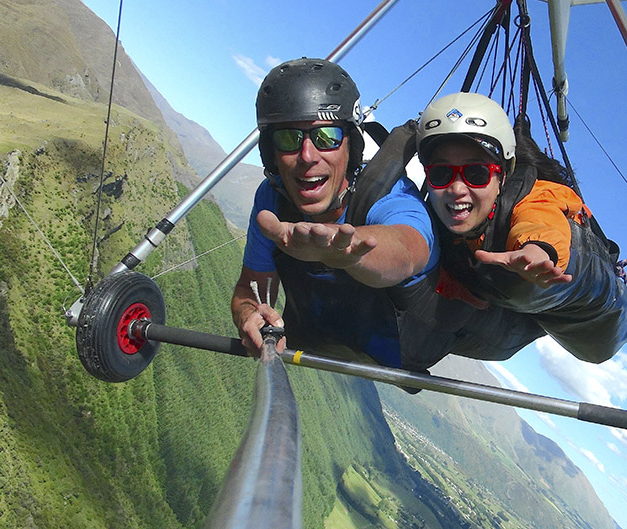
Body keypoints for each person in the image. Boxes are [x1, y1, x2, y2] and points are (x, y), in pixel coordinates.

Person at [231, 58, 542, 372]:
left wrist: (353, 255)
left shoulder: (390, 196)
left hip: (456, 331)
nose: (308, 156)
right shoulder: (272, 200)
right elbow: (251, 287)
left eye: (327, 137)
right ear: (270, 153)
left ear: (350, 146)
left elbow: (407, 249)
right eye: (289, 139)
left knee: (513, 319)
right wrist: (249, 314)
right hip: (332, 338)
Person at [417, 92, 627, 363]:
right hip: (506, 307)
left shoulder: (536, 196)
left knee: (519, 286)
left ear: (503, 176)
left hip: (579, 298)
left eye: (476, 174)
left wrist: (538, 252)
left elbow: (539, 222)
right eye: (441, 174)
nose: (457, 188)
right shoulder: (445, 219)